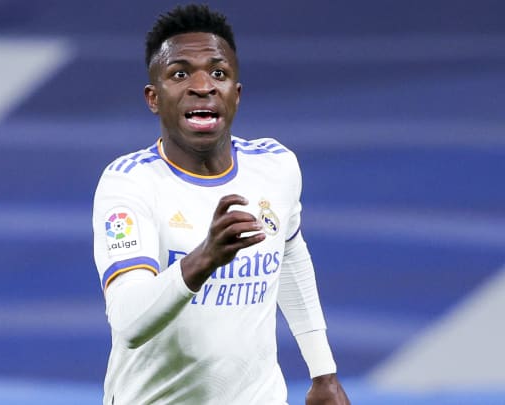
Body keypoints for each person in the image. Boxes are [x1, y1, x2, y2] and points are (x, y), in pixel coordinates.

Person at [92, 4, 350, 404]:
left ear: (236, 94)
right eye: (180, 74)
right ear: (153, 98)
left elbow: (289, 254)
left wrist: (323, 372)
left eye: (218, 73)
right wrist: (204, 259)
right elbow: (128, 322)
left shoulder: (275, 166)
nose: (203, 86)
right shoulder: (129, 184)